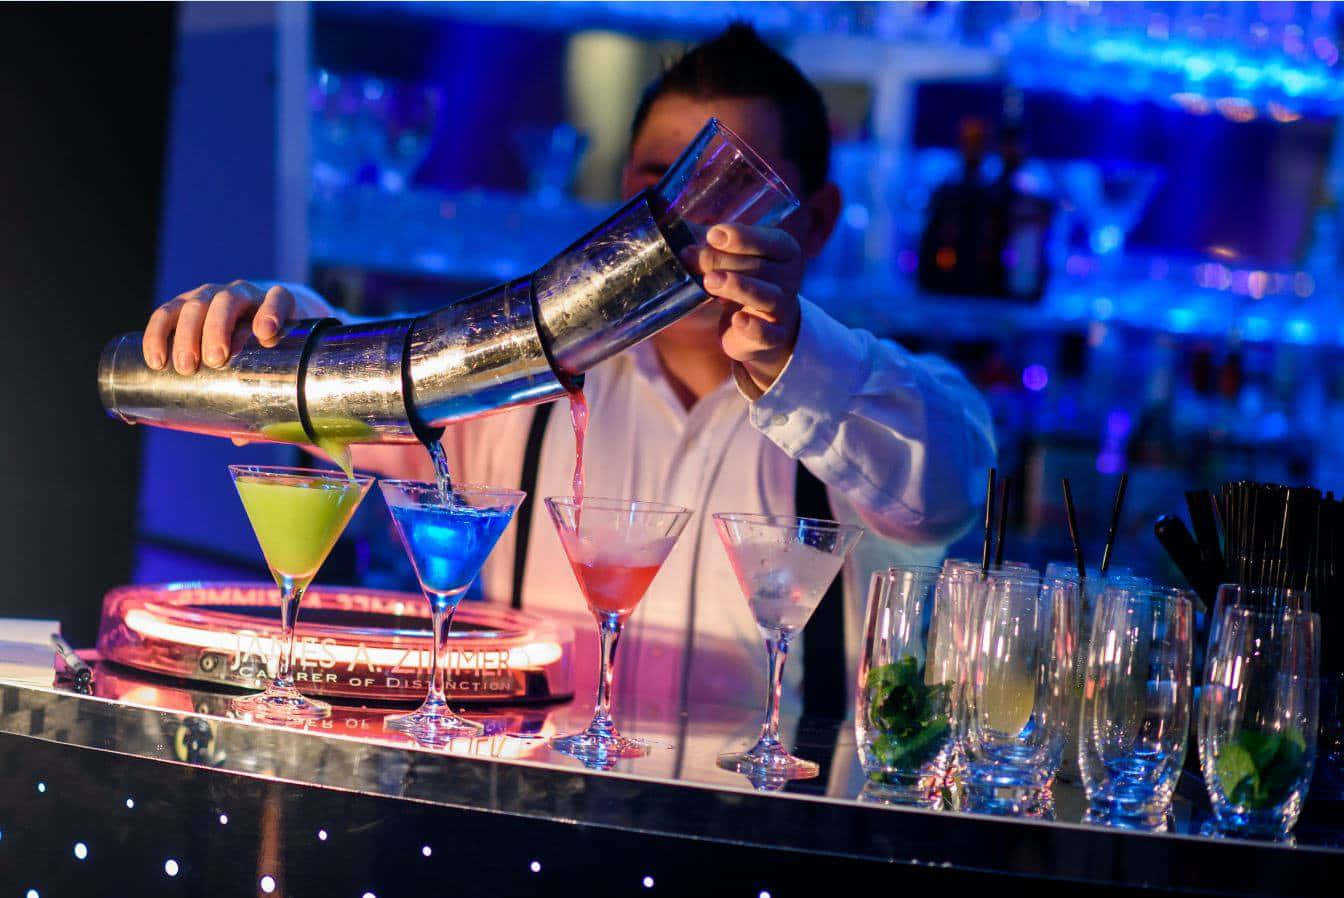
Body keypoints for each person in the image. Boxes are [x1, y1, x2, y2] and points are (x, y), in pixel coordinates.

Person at [141, 25, 995, 721]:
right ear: (624, 196)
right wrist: (268, 324)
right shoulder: (513, 383)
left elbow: (944, 489)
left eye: (729, 189)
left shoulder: (866, 398)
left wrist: (794, 354)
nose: (686, 224)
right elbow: (363, 378)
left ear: (813, 222)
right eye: (662, 184)